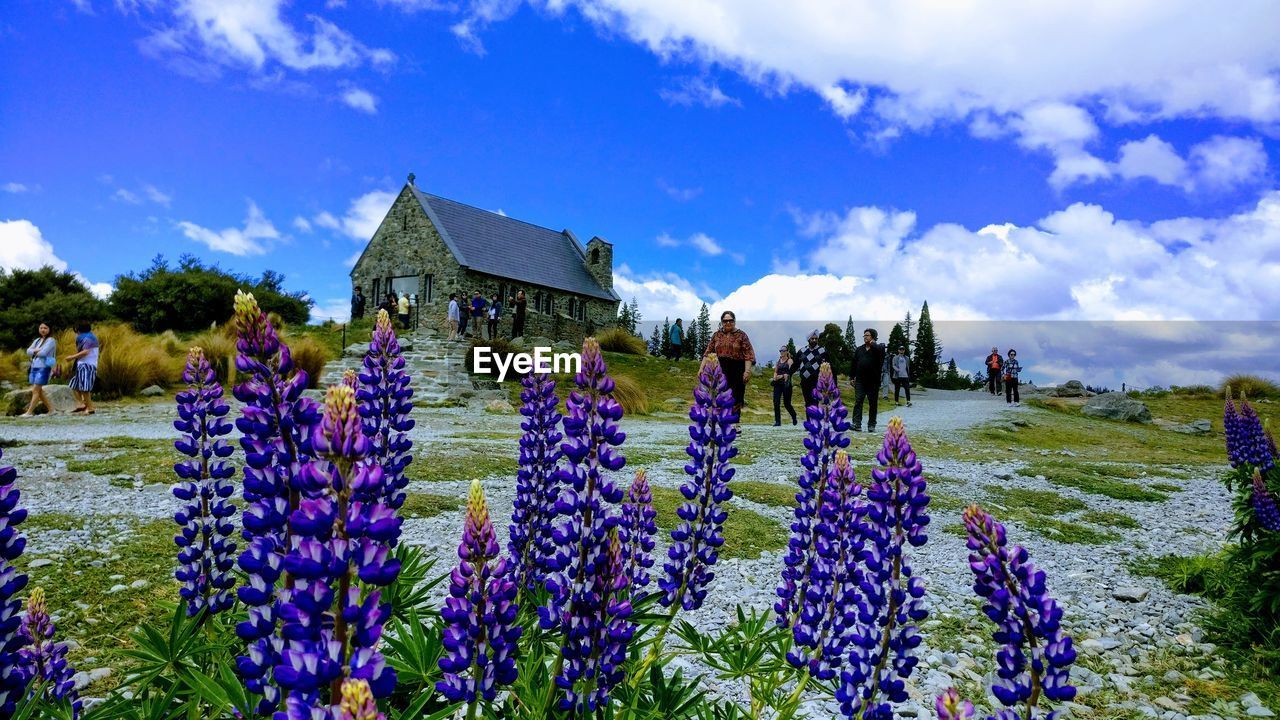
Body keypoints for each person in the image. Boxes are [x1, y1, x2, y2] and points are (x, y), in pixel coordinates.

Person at [703, 310, 755, 416]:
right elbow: (708, 352)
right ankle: (719, 420)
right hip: (721, 368)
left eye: (730, 320)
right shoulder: (716, 335)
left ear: (734, 321)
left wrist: (747, 371)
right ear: (722, 322)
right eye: (725, 321)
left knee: (736, 395)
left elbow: (748, 354)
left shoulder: (742, 335)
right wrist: (701, 368)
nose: (728, 323)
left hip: (738, 367)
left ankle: (735, 423)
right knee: (720, 393)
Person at [849, 328, 886, 433]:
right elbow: (854, 364)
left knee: (872, 403)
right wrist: (852, 377)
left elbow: (880, 352)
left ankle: (871, 425)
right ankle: (856, 424)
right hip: (860, 380)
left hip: (873, 381)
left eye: (868, 335)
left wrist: (873, 344)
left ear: (873, 337)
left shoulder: (879, 348)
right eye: (864, 335)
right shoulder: (859, 349)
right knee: (858, 401)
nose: (865, 337)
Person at [21, 323, 57, 417]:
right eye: (41, 328)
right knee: (39, 391)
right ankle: (52, 410)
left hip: (44, 367)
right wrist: (38, 350)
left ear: (49, 329)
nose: (43, 330)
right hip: (34, 366)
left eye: (45, 328)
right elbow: (28, 351)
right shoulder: (37, 340)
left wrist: (35, 350)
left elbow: (43, 353)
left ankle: (29, 412)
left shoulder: (51, 340)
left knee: (35, 390)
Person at [65, 321, 100, 415]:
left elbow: (86, 352)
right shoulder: (90, 336)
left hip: (87, 365)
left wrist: (72, 357)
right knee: (74, 385)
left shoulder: (88, 337)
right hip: (82, 365)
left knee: (85, 388)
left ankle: (90, 408)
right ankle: (81, 404)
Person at [795, 330, 829, 407]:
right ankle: (809, 419)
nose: (814, 340)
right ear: (808, 339)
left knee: (814, 402)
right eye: (812, 339)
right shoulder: (802, 351)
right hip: (805, 382)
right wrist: (788, 373)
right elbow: (795, 364)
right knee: (807, 403)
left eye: (816, 339)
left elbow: (829, 366)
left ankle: (814, 419)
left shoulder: (823, 351)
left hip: (816, 382)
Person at [772, 346, 797, 426]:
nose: (782, 352)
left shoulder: (789, 361)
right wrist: (775, 376)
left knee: (787, 403)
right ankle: (777, 421)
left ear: (787, 351)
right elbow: (775, 371)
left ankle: (794, 416)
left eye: (783, 350)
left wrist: (782, 376)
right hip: (777, 384)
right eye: (780, 351)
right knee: (776, 402)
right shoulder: (778, 361)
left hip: (786, 384)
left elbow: (790, 372)